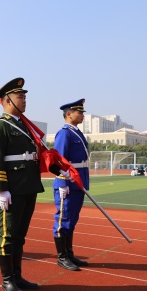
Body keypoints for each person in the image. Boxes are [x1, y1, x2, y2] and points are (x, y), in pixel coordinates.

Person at [0, 77, 46, 291]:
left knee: (20, 235)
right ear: (7, 100)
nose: (24, 100)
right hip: (11, 188)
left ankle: (18, 276)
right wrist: (1, 189)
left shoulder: (24, 126)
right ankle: (7, 280)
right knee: (7, 235)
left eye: (25, 96)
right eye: (20, 97)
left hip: (28, 186)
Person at [52, 99, 91, 272]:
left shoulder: (77, 132)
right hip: (67, 183)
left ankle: (69, 253)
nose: (82, 115)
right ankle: (62, 257)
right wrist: (62, 182)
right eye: (79, 112)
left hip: (78, 182)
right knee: (63, 220)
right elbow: (59, 160)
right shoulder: (64, 133)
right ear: (69, 114)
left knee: (72, 220)